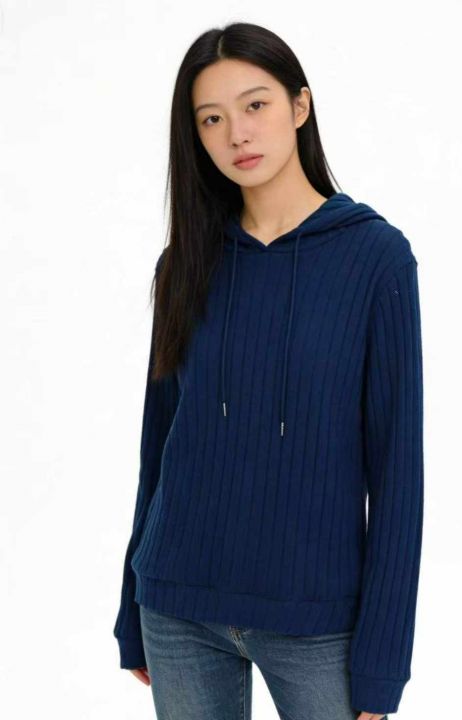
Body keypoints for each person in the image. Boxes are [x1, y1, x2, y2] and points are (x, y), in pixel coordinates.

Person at [113, 21, 424, 720]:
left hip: (316, 622)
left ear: (299, 106)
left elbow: (397, 472)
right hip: (178, 608)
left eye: (255, 105)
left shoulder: (374, 259)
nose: (237, 134)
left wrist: (382, 660)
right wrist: (131, 606)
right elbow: (158, 449)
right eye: (211, 118)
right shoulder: (185, 262)